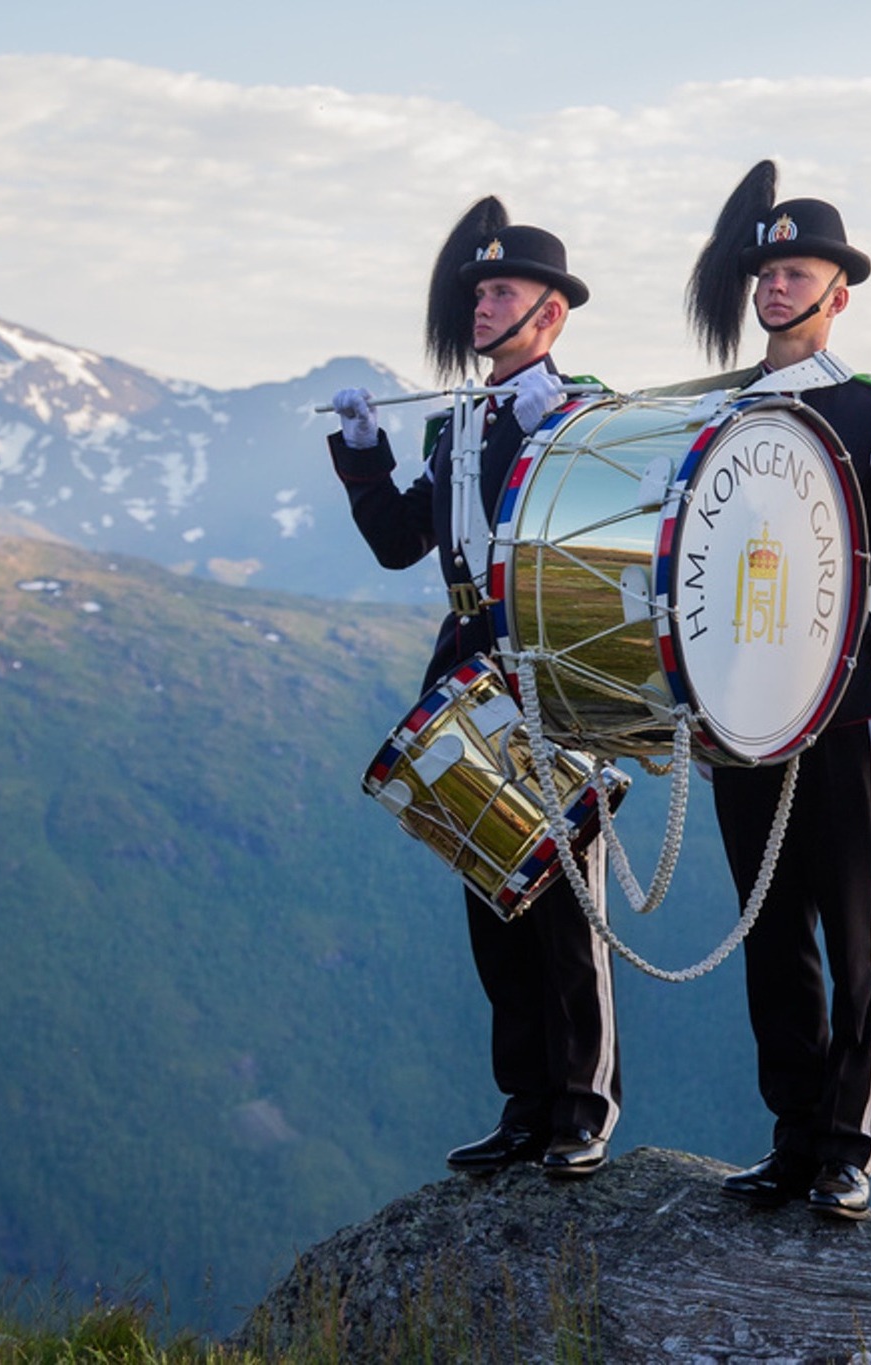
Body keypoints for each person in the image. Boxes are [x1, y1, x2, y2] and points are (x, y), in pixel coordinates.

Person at [328, 198, 619, 1179]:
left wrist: (565, 438)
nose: (483, 305)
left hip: (547, 656)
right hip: (464, 655)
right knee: (491, 885)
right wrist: (365, 457)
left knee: (563, 893)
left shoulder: (583, 408)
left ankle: (583, 1104)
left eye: (503, 290)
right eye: (479, 291)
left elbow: (608, 533)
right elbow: (401, 544)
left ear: (551, 312)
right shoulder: (455, 421)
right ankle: (525, 1103)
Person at [684, 160, 871, 1220]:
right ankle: (792, 1134)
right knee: (770, 927)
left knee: (852, 933)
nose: (775, 287)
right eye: (766, 273)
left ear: (840, 291)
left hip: (843, 705)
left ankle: (850, 1143)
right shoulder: (717, 410)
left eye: (797, 272)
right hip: (742, 705)